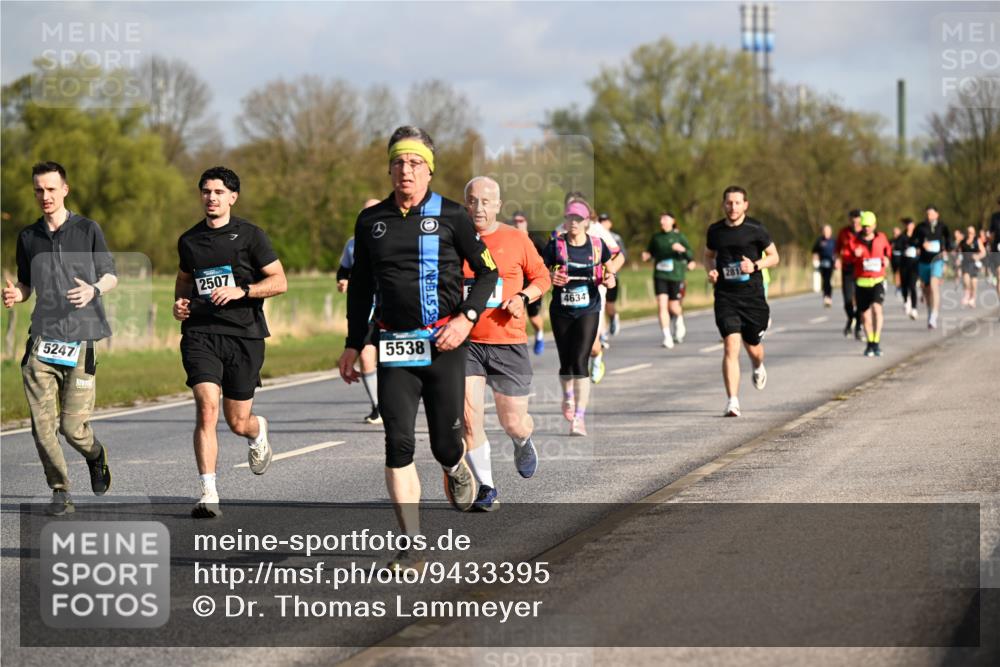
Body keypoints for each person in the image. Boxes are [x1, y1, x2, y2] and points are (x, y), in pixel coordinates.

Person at [338, 126, 498, 571]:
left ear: (429, 169)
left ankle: (455, 466)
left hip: (444, 342)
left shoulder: (452, 216)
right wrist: (354, 343)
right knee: (398, 443)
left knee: (447, 444)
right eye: (398, 162)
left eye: (414, 163)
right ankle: (411, 544)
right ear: (389, 168)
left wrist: (466, 320)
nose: (405, 170)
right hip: (395, 345)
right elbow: (361, 288)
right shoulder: (371, 222)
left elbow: (487, 274)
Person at [173, 166, 288, 518]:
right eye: (206, 191)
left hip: (244, 335)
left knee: (237, 421)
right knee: (206, 406)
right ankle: (208, 492)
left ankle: (257, 431)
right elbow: (184, 279)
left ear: (233, 197)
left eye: (219, 192)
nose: (212, 197)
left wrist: (243, 290)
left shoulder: (251, 236)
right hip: (201, 333)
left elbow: (280, 281)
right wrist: (179, 304)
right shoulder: (189, 240)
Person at [3, 161, 116, 516]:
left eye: (51, 189)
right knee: (42, 428)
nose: (45, 196)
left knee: (71, 428)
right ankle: (60, 490)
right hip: (42, 343)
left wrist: (93, 290)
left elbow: (111, 274)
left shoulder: (87, 229)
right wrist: (16, 295)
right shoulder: (28, 237)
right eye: (39, 189)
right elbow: (26, 285)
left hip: (81, 342)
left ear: (64, 189)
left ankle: (95, 455)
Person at [461, 177, 551, 510]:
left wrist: (524, 297)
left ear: (498, 205)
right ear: (465, 203)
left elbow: (542, 277)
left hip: (507, 342)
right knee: (469, 419)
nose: (479, 207)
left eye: (486, 201)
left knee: (512, 421)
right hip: (466, 342)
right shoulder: (453, 241)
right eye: (472, 200)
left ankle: (522, 439)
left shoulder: (516, 239)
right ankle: (486, 488)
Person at [704, 186, 779, 418]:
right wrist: (712, 272)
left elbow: (775, 257)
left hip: (752, 296)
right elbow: (708, 256)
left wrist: (754, 265)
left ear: (745, 204)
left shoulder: (756, 229)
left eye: (737, 203)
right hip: (726, 296)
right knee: (730, 346)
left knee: (754, 349)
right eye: (729, 203)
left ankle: (757, 366)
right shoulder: (715, 230)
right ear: (723, 204)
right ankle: (733, 401)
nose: (733, 207)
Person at [543, 200, 616, 435]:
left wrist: (609, 279)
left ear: (586, 222)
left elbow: (610, 269)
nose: (573, 223)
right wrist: (551, 278)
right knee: (566, 362)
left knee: (580, 360)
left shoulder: (597, 245)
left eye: (577, 219)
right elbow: (539, 272)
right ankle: (567, 396)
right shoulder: (555, 246)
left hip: (589, 308)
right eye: (569, 218)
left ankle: (580, 418)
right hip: (561, 310)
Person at [554, 194, 624, 383]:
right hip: (565, 294)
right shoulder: (559, 231)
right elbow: (550, 261)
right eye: (569, 210)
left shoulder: (597, 230)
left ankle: (597, 358)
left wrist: (610, 274)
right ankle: (576, 386)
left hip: (593, 289)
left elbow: (619, 257)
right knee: (571, 346)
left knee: (592, 345)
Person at [336, 198, 383, 424]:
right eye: (366, 212)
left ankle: (396, 401)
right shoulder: (353, 243)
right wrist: (343, 281)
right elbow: (343, 270)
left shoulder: (396, 238)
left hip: (390, 308)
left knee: (389, 360)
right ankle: (377, 406)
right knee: (365, 354)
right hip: (365, 308)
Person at [642, 212, 694, 347]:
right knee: (661, 305)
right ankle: (667, 336)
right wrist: (646, 255)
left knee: (674, 307)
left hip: (676, 275)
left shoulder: (679, 236)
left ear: (672, 221)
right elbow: (650, 252)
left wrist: (682, 249)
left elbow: (690, 254)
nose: (662, 222)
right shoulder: (656, 238)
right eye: (661, 219)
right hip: (660, 275)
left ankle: (679, 319)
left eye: (665, 219)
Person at [849, 211, 891, 357]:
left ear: (874, 225)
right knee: (865, 316)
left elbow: (888, 252)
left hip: (878, 280)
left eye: (869, 226)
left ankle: (877, 342)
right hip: (861, 282)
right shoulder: (854, 241)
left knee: (877, 309)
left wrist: (886, 259)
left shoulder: (882, 238)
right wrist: (855, 255)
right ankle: (870, 343)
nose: (866, 228)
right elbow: (847, 259)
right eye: (864, 226)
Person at [511, 211, 548, 355]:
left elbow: (549, 258)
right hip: (515, 285)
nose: (517, 223)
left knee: (534, 317)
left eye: (520, 220)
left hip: (533, 285)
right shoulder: (510, 239)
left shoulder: (535, 240)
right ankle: (519, 344)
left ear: (526, 222)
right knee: (516, 314)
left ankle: (539, 333)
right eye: (515, 221)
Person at [914, 205, 952, 329]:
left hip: (937, 260)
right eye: (927, 214)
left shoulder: (943, 226)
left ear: (937, 214)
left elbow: (948, 239)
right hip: (924, 261)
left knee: (934, 284)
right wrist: (921, 244)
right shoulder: (920, 227)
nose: (928, 216)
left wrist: (946, 249)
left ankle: (934, 316)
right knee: (926, 290)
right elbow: (912, 240)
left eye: (931, 214)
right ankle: (930, 311)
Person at [835, 209, 863, 339]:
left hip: (862, 269)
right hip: (847, 269)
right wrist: (836, 260)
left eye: (857, 220)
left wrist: (861, 251)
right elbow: (837, 249)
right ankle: (851, 319)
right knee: (847, 300)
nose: (855, 222)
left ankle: (858, 326)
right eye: (853, 219)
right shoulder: (843, 232)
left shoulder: (865, 232)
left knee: (861, 300)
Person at [598, 213, 626, 340]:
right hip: (597, 278)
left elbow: (622, 255)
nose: (603, 223)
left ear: (610, 223)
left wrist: (610, 272)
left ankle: (613, 317)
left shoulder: (615, 238)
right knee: (600, 305)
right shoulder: (594, 234)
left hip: (611, 276)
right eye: (601, 221)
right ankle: (602, 333)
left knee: (609, 306)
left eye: (606, 221)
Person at [898, 217, 921, 319]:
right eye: (907, 225)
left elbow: (922, 246)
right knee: (904, 285)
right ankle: (906, 301)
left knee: (912, 285)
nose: (909, 227)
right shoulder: (902, 236)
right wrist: (905, 247)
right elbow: (897, 246)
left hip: (914, 264)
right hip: (904, 263)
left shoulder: (917, 236)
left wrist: (918, 249)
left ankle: (914, 308)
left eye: (911, 224)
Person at [959, 225, 985, 308]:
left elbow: (983, 252)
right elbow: (959, 252)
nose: (970, 234)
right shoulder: (963, 242)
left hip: (974, 263)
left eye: (972, 233)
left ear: (974, 233)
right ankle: (967, 294)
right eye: (969, 232)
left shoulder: (977, 241)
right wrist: (958, 259)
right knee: (966, 279)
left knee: (974, 282)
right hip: (965, 263)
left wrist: (978, 256)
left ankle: (973, 298)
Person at [811, 224, 836, 308]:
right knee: (825, 280)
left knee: (828, 280)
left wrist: (837, 261)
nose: (826, 233)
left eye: (828, 231)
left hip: (831, 263)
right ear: (822, 232)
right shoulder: (819, 241)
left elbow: (838, 252)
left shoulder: (833, 241)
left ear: (830, 232)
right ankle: (826, 295)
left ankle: (828, 297)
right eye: (824, 231)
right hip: (822, 263)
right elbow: (814, 251)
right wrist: (815, 261)